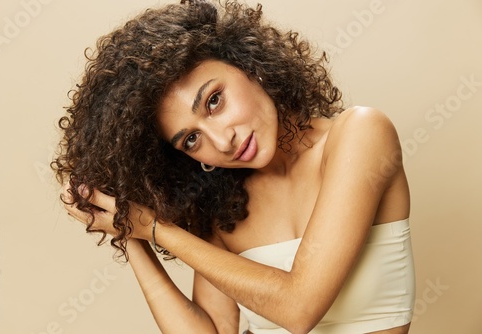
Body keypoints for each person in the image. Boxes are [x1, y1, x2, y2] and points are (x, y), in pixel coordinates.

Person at [53, 0, 415, 333]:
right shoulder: (224, 205)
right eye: (191, 139)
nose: (222, 141)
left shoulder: (361, 133)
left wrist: (157, 230)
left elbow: (299, 307)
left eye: (214, 101)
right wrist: (128, 231)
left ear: (248, 63)